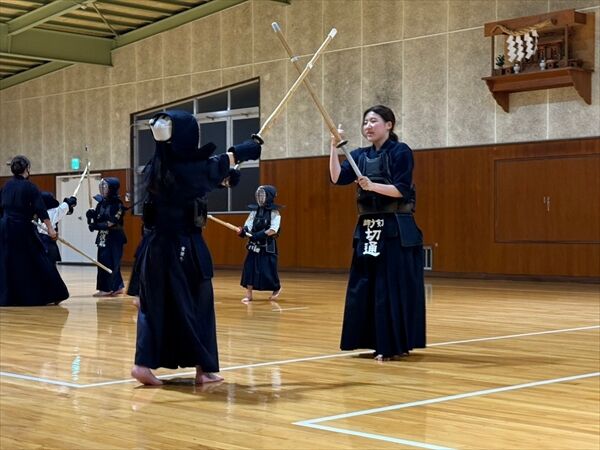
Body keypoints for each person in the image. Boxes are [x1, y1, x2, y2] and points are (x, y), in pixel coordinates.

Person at [131, 110, 261, 386]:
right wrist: (237, 154)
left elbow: (202, 179)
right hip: (182, 247)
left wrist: (227, 173)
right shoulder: (183, 169)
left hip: (156, 248)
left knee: (156, 307)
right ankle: (204, 369)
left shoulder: (158, 165)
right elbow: (205, 170)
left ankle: (142, 365)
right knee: (199, 304)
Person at [329, 105, 426, 361]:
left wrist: (372, 186)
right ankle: (371, 341)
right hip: (368, 229)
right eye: (365, 122)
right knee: (365, 287)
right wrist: (333, 147)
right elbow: (337, 178)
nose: (368, 126)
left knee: (389, 288)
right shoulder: (359, 155)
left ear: (389, 125)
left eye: (373, 121)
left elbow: (401, 189)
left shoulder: (400, 151)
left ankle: (392, 344)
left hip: (395, 228)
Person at [0, 155, 69, 306]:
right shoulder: (30, 187)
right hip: (22, 229)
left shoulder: (6, 186)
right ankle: (56, 293)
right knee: (39, 258)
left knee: (8, 261)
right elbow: (41, 209)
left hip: (5, 229)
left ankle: (9, 298)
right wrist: (51, 229)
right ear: (27, 169)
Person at [237, 185, 282, 304]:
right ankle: (249, 295)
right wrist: (244, 231)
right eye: (259, 195)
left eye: (263, 195)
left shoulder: (275, 213)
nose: (260, 198)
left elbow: (273, 230)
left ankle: (276, 288)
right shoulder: (254, 211)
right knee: (249, 268)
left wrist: (259, 235)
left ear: (269, 197)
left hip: (267, 246)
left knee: (268, 270)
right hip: (254, 244)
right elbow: (248, 225)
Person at [86, 178, 127, 297]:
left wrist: (97, 226)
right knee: (103, 261)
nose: (102, 189)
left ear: (112, 189)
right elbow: (97, 220)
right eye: (102, 186)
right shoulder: (101, 204)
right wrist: (91, 217)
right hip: (103, 236)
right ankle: (117, 287)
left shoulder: (118, 205)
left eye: (105, 187)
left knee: (111, 262)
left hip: (115, 237)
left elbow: (111, 223)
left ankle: (108, 288)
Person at [38, 192, 77, 264]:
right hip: (46, 244)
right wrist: (70, 201)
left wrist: (69, 204)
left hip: (40, 243)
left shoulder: (39, 212)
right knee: (49, 267)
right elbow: (62, 209)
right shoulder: (50, 213)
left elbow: (65, 210)